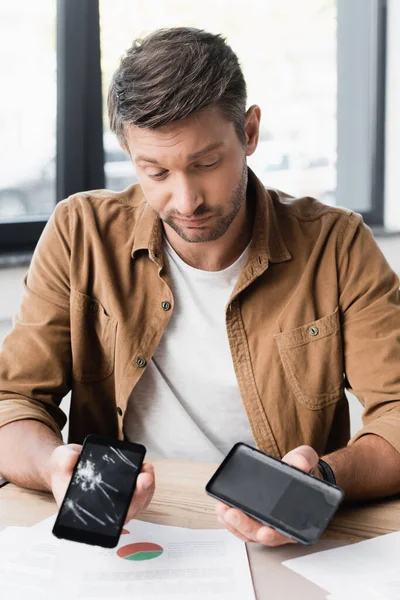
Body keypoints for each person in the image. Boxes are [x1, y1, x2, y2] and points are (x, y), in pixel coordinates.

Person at [0, 27, 399, 548]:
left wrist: (319, 479)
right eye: (156, 170)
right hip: (127, 536)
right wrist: (52, 465)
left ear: (249, 132)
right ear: (128, 151)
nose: (186, 200)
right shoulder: (80, 233)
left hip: (281, 538)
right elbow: (14, 402)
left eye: (206, 163)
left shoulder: (337, 244)